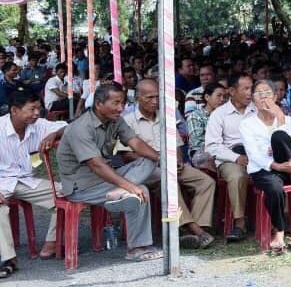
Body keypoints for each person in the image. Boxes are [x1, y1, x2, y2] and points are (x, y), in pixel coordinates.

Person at [56, 81, 161, 261]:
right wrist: (129, 185)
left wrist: (161, 159)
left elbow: (135, 143)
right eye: (116, 103)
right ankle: (137, 249)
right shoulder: (81, 128)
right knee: (140, 190)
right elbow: (96, 165)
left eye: (123, 103)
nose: (121, 108)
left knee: (149, 159)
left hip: (105, 180)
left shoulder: (115, 120)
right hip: (82, 186)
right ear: (99, 104)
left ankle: (120, 192)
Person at [123, 78, 216, 249]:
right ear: (137, 98)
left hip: (171, 165)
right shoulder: (128, 121)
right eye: (149, 97)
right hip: (146, 168)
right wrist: (156, 160)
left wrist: (178, 160)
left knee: (206, 182)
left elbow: (177, 144)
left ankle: (193, 229)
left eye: (157, 97)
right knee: (169, 183)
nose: (155, 101)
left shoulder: (166, 117)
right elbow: (126, 155)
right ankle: (196, 230)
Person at [243, 80, 291, 255]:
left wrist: (280, 118)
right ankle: (279, 233)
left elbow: (286, 142)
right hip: (263, 169)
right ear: (253, 100)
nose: (263, 97)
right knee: (274, 188)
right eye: (258, 94)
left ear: (275, 97)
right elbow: (254, 154)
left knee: (279, 136)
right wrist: (277, 166)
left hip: (287, 164)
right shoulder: (247, 124)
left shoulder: (286, 119)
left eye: (267, 93)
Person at [0, 89, 65, 275]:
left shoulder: (39, 125)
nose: (37, 113)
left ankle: (51, 243)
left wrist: (54, 134)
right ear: (14, 110)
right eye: (32, 109)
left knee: (66, 193)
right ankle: (8, 258)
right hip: (2, 182)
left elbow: (69, 127)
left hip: (26, 181)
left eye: (39, 109)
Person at [205, 73, 258, 242]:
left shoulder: (257, 110)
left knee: (277, 170)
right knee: (237, 176)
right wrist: (236, 158)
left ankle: (279, 219)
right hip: (230, 158)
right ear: (232, 91)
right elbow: (212, 146)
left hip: (256, 156)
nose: (250, 93)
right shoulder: (219, 114)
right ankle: (240, 223)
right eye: (246, 89)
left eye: (251, 88)